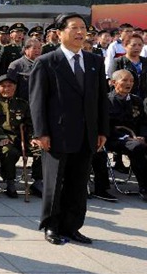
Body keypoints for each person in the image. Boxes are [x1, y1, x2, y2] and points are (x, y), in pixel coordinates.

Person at [30, 13, 109, 245]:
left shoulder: (94, 61)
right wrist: (41, 133)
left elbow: (101, 100)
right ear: (59, 33)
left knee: (79, 183)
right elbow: (37, 101)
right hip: (57, 134)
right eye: (74, 27)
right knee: (54, 183)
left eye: (83, 27)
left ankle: (72, 226)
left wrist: (102, 130)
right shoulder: (47, 62)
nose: (80, 32)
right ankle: (51, 226)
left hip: (86, 134)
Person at [0, 74, 43, 198]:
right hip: (2, 139)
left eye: (9, 86)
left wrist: (33, 138)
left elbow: (30, 124)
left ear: (15, 87)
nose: (6, 89)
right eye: (3, 86)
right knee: (9, 152)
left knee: (41, 149)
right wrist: (1, 138)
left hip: (22, 138)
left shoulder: (22, 104)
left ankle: (38, 181)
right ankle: (10, 182)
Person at [96, 70, 147, 201]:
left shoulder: (136, 100)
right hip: (113, 138)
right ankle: (144, 187)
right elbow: (105, 126)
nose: (129, 83)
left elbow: (143, 122)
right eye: (124, 80)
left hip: (135, 138)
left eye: (131, 81)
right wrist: (127, 137)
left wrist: (142, 136)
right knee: (137, 147)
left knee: (139, 145)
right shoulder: (106, 101)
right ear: (113, 82)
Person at [7, 37, 42, 102]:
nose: (37, 51)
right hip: (23, 102)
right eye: (34, 48)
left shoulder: (43, 64)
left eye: (39, 48)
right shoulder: (16, 65)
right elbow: (10, 87)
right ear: (26, 49)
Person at [113, 33, 147, 99]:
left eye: (140, 45)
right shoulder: (118, 62)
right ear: (125, 46)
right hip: (125, 99)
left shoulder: (145, 61)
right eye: (133, 45)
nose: (137, 48)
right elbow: (113, 84)